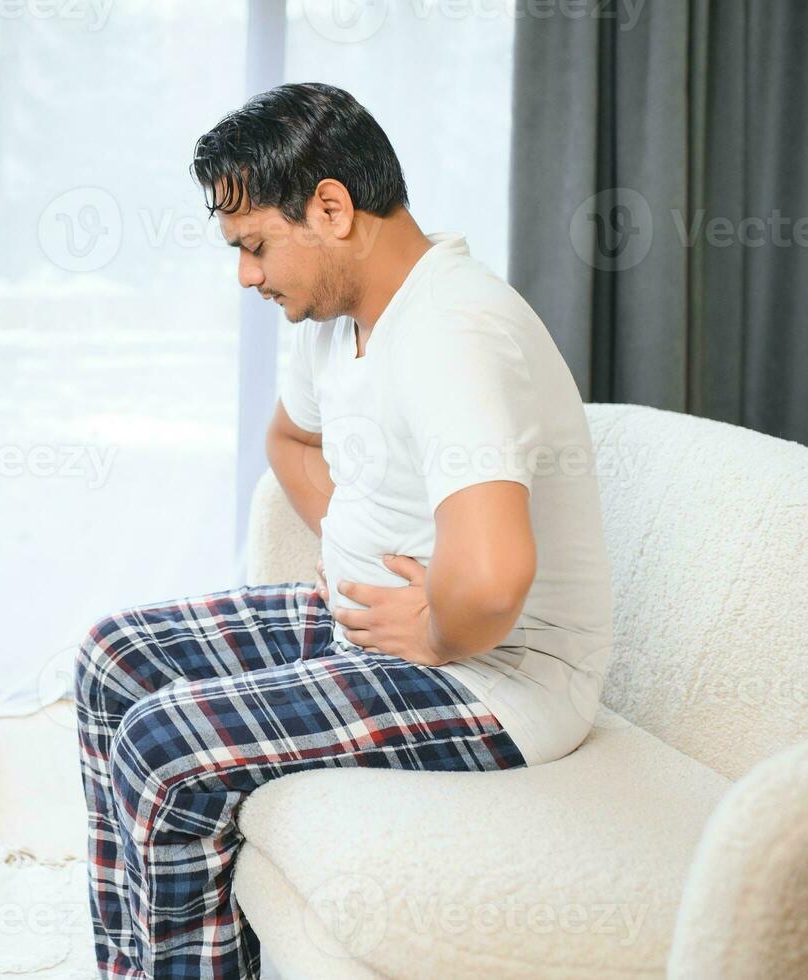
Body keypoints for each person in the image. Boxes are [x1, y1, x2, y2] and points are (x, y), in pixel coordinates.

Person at [74, 81, 614, 980]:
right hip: (374, 628)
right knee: (113, 657)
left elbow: (489, 581)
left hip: (500, 678)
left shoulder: (453, 326)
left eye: (252, 246)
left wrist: (437, 623)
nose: (246, 274)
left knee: (167, 748)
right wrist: (350, 547)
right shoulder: (339, 315)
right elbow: (287, 439)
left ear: (330, 207)